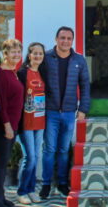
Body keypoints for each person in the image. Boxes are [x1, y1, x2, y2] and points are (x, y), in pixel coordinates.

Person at [38, 26, 91, 200]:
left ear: (72, 41)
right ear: (56, 39)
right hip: (50, 111)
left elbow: (85, 86)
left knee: (63, 150)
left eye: (69, 38)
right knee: (49, 149)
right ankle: (46, 184)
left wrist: (83, 109)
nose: (65, 41)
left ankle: (62, 183)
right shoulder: (45, 58)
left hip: (69, 112)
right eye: (62, 38)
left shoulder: (79, 60)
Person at [0, 39, 25, 207]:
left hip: (13, 125)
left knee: (3, 164)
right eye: (13, 52)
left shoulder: (13, 71)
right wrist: (7, 126)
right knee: (0, 164)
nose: (16, 55)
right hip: (4, 127)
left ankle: (0, 197)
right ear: (5, 53)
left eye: (18, 52)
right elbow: (0, 103)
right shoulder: (0, 74)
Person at [16, 43, 47, 204]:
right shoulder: (22, 73)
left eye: (40, 54)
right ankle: (22, 191)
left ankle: (30, 189)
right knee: (30, 157)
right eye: (35, 53)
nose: (38, 56)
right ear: (29, 55)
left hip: (40, 121)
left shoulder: (42, 72)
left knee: (37, 156)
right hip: (26, 122)